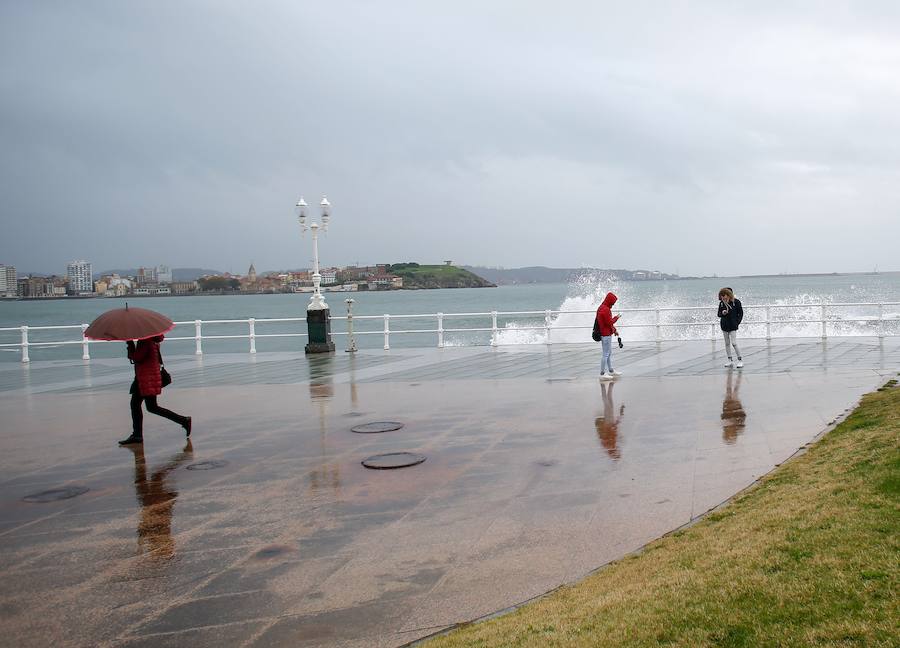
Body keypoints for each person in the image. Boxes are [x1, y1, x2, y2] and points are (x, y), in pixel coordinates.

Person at [118, 335, 191, 446]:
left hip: (146, 378)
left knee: (137, 404)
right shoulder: (151, 339)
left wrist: (130, 343)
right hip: (147, 377)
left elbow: (137, 357)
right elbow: (138, 358)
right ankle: (183, 420)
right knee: (150, 407)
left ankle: (137, 435)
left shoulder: (145, 341)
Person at [595, 292, 621, 380]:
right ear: (610, 301)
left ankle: (611, 370)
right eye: (613, 303)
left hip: (605, 333)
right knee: (606, 354)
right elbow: (609, 322)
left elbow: (607, 324)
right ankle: (602, 373)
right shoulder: (606, 310)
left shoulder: (601, 308)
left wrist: (614, 330)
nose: (613, 305)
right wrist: (617, 317)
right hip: (606, 335)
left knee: (608, 353)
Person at [717, 287, 744, 368]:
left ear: (729, 295)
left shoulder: (736, 302)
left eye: (724, 295)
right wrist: (723, 312)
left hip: (733, 325)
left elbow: (741, 313)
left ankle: (740, 360)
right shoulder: (722, 303)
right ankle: (730, 360)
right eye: (721, 295)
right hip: (724, 325)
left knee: (734, 343)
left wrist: (737, 322)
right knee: (727, 343)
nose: (723, 297)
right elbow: (718, 314)